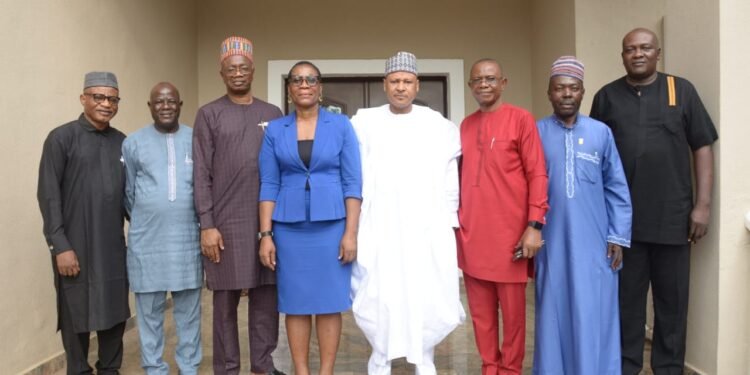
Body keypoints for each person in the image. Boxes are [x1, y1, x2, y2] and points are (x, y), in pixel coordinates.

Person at [590, 28, 718, 375]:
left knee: (672, 305)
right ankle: (625, 367)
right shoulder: (606, 97)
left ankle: (669, 368)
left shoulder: (682, 90)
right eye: (630, 49)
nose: (638, 54)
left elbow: (702, 146)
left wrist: (703, 205)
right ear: (622, 56)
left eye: (645, 47)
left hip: (674, 220)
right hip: (622, 226)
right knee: (626, 306)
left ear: (657, 53)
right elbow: (594, 156)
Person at [350, 51, 465, 375]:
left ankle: (422, 355)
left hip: (424, 227)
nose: (401, 87)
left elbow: (449, 179)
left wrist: (448, 222)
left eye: (407, 81)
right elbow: (353, 176)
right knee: (378, 291)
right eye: (395, 81)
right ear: (384, 85)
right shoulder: (364, 122)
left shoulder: (438, 125)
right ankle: (381, 356)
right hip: (379, 225)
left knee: (424, 289)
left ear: (418, 85)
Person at [258, 61, 362, 375]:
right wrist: (266, 235)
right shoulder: (276, 129)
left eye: (311, 79)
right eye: (297, 80)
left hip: (332, 227)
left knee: (330, 302)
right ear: (289, 89)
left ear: (320, 87)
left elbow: (352, 182)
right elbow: (269, 183)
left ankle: (325, 372)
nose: (304, 84)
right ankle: (301, 371)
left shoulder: (341, 126)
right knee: (296, 303)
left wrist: (350, 233)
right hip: (289, 229)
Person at [192, 36, 285, 375]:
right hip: (224, 226)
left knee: (265, 300)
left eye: (243, 67)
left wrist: (275, 227)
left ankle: (263, 365)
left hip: (266, 225)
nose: (237, 73)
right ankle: (227, 369)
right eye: (231, 68)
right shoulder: (209, 114)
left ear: (252, 71)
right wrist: (207, 224)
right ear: (222, 73)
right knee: (224, 305)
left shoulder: (272, 114)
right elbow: (201, 173)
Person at [533, 56, 632, 375]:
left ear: (582, 92)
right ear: (549, 93)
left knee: (595, 313)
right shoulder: (535, 133)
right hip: (552, 244)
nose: (566, 94)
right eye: (559, 88)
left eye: (573, 88)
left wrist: (617, 235)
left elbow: (616, 186)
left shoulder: (600, 133)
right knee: (553, 313)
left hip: (595, 246)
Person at [456, 59, 549, 375]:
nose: (483, 84)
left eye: (490, 78)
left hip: (511, 236)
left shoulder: (521, 120)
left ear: (503, 83)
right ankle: (489, 368)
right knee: (481, 316)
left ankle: (510, 370)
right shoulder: (465, 126)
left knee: (513, 318)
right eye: (477, 80)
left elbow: (537, 172)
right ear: (470, 86)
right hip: (472, 236)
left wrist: (534, 225)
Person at [37, 71, 129, 374]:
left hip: (112, 247)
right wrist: (59, 246)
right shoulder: (61, 138)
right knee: (75, 314)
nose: (106, 104)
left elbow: (132, 198)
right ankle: (78, 370)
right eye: (98, 97)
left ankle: (109, 369)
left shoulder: (123, 143)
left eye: (112, 99)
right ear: (83, 98)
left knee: (115, 313)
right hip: (73, 247)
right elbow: (49, 196)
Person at [122, 82, 203, 374]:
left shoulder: (197, 139)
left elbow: (204, 189)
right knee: (149, 314)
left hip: (187, 242)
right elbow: (129, 192)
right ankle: (154, 368)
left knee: (189, 313)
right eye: (159, 102)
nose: (165, 106)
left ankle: (189, 366)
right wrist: (150, 216)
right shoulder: (133, 143)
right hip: (147, 243)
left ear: (180, 105)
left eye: (171, 101)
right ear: (150, 107)